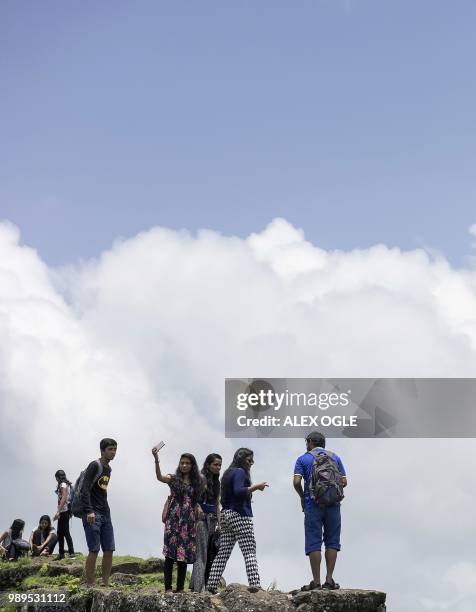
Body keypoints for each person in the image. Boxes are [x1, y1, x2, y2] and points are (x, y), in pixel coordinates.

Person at [206, 448, 268, 594]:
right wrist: (256, 487)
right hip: (240, 515)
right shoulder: (240, 472)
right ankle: (255, 584)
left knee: (223, 553)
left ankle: (211, 586)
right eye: (249, 460)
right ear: (241, 458)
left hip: (226, 515)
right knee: (249, 551)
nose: (252, 463)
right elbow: (239, 491)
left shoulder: (227, 473)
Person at [293, 431, 347, 591]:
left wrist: (303, 497)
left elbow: (296, 481)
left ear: (309, 442)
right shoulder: (335, 457)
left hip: (313, 504)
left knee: (314, 542)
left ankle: (316, 583)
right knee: (332, 541)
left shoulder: (303, 459)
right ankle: (329, 580)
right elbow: (344, 481)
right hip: (333, 505)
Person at [152, 447, 203, 593]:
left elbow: (196, 501)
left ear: (192, 466)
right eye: (182, 463)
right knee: (170, 554)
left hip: (188, 522)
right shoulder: (174, 479)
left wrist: (198, 508)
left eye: (187, 463)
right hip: (173, 520)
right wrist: (156, 460)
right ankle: (168, 588)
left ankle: (180, 588)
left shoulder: (196, 483)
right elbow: (159, 477)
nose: (184, 465)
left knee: (183, 554)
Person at [81, 438, 117, 587]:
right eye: (110, 449)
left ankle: (105, 582)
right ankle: (90, 583)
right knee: (94, 549)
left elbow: (102, 491)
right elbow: (84, 489)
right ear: (102, 451)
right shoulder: (94, 465)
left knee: (109, 549)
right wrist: (89, 511)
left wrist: (107, 511)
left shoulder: (108, 469)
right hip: (92, 513)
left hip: (105, 513)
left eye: (115, 449)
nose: (113, 452)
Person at [190, 453, 222, 592]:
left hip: (213, 519)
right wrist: (197, 508)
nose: (218, 467)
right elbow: (193, 497)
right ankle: (199, 588)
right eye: (215, 464)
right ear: (208, 465)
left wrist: (220, 523)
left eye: (220, 465)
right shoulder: (201, 479)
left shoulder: (217, 481)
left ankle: (196, 586)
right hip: (201, 519)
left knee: (210, 554)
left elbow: (217, 503)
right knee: (201, 555)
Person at [53, 470, 76, 560]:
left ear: (58, 477)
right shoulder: (67, 484)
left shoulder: (63, 485)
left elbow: (64, 497)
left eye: (56, 478)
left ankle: (71, 553)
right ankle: (61, 554)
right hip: (65, 511)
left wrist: (58, 511)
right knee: (60, 533)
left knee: (65, 532)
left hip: (64, 511)